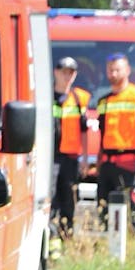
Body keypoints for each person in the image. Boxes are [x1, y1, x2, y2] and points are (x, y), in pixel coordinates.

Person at [94, 53, 135, 218]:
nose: (113, 74)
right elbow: (103, 133)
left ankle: (132, 238)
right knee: (103, 207)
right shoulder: (103, 101)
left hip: (129, 162)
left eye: (117, 70)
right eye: (110, 70)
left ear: (127, 70)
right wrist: (99, 159)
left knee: (129, 206)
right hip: (107, 163)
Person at [51, 56, 92, 239]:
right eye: (63, 71)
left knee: (69, 198)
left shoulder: (79, 98)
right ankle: (51, 238)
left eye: (71, 72)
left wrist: (84, 157)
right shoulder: (45, 96)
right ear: (56, 72)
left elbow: (84, 130)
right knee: (51, 198)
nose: (67, 76)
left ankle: (66, 237)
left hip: (70, 158)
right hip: (50, 157)